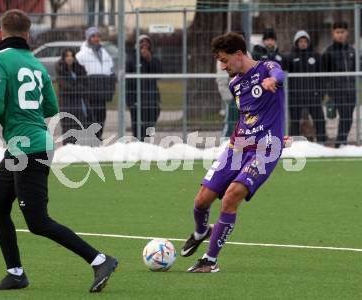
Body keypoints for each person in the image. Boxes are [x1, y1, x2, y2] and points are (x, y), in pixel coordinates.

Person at [0, 9, 117, 292]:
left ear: (0, 33)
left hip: (28, 149)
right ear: (28, 35)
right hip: (29, 145)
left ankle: (100, 259)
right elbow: (52, 108)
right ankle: (16, 273)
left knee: (38, 222)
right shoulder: (37, 64)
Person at [180, 32, 285, 272]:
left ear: (239, 55)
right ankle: (200, 232)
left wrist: (273, 81)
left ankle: (210, 261)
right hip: (238, 146)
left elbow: (278, 73)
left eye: (225, 60)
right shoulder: (235, 83)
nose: (222, 66)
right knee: (201, 200)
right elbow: (247, 117)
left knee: (230, 197)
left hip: (265, 149)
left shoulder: (266, 68)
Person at [285, 30, 327, 142]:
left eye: (305, 41)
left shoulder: (316, 56)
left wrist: (320, 92)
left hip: (313, 95)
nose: (303, 43)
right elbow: (285, 77)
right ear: (296, 42)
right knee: (294, 121)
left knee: (320, 120)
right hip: (295, 97)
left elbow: (321, 76)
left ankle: (322, 143)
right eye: (300, 41)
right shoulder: (289, 57)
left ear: (308, 42)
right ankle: (294, 145)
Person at [76, 27, 115, 141]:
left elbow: (110, 69)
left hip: (103, 90)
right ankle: (91, 138)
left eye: (98, 36)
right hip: (90, 90)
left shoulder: (105, 53)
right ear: (88, 38)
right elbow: (78, 74)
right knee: (90, 115)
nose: (96, 38)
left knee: (102, 115)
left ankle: (98, 136)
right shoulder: (81, 55)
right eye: (93, 36)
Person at [322, 21, 356, 147]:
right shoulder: (329, 52)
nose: (340, 35)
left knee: (349, 118)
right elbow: (324, 74)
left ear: (347, 33)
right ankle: (340, 142)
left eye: (342, 32)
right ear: (333, 33)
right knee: (345, 116)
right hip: (336, 91)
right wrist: (328, 92)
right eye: (337, 32)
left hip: (351, 90)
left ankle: (341, 142)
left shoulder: (352, 51)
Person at [126, 34, 162, 140]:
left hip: (152, 99)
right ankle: (138, 144)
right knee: (138, 126)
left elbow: (159, 74)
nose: (144, 44)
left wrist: (149, 59)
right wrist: (130, 101)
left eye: (147, 42)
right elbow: (127, 82)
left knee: (151, 124)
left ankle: (148, 141)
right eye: (142, 42)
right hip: (136, 100)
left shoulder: (154, 59)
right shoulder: (131, 60)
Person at [55, 48, 89, 145]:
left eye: (71, 55)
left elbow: (85, 82)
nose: (69, 58)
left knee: (79, 126)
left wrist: (77, 88)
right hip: (66, 103)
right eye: (67, 56)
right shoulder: (60, 69)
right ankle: (68, 149)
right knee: (68, 128)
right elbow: (65, 86)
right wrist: (78, 88)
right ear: (63, 58)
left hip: (79, 103)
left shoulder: (79, 68)